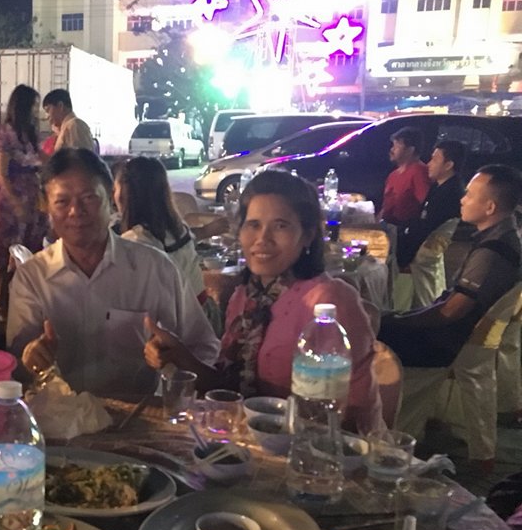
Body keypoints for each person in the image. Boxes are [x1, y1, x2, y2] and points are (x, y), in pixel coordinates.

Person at [143, 171, 383, 434]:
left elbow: (350, 418)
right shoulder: (245, 298)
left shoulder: (328, 302)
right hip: (249, 442)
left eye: (280, 226)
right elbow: (228, 391)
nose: (262, 239)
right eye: (253, 224)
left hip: (316, 449)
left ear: (307, 235)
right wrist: (178, 355)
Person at [8, 148, 219, 396]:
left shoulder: (154, 268)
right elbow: (15, 369)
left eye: (88, 198)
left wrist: (174, 359)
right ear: (47, 207)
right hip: (59, 414)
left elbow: (204, 348)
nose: (76, 211)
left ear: (111, 198)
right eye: (62, 202)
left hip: (138, 415)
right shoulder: (33, 278)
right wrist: (31, 359)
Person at [378, 165, 522, 369]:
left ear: (490, 208)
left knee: (366, 334)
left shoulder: (493, 252)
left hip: (447, 346)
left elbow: (450, 311)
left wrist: (394, 320)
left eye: (469, 195)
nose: (462, 200)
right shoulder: (502, 237)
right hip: (449, 337)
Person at [0, 84, 48, 270]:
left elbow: (42, 158)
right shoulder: (5, 133)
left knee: (30, 244)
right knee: (2, 246)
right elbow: (2, 173)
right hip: (9, 196)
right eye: (34, 105)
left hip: (29, 194)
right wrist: (16, 202)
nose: (36, 111)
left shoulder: (30, 133)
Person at [113, 156, 204, 299]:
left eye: (115, 189)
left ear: (124, 195)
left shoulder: (133, 243)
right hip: (202, 309)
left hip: (175, 312)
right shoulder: (180, 229)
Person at [397, 139, 466, 269]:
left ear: (448, 165)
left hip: (420, 252)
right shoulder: (440, 185)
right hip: (416, 243)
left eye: (434, 160)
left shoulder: (449, 195)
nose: (429, 164)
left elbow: (424, 229)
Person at [381, 126, 431, 232]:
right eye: (393, 145)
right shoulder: (393, 175)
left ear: (410, 150)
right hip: (387, 227)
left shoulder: (419, 172)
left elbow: (426, 207)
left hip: (403, 231)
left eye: (397, 146)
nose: (392, 149)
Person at [42, 89, 96, 154]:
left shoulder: (73, 125)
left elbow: (79, 158)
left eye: (48, 110)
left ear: (60, 106)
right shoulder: (67, 127)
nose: (47, 116)